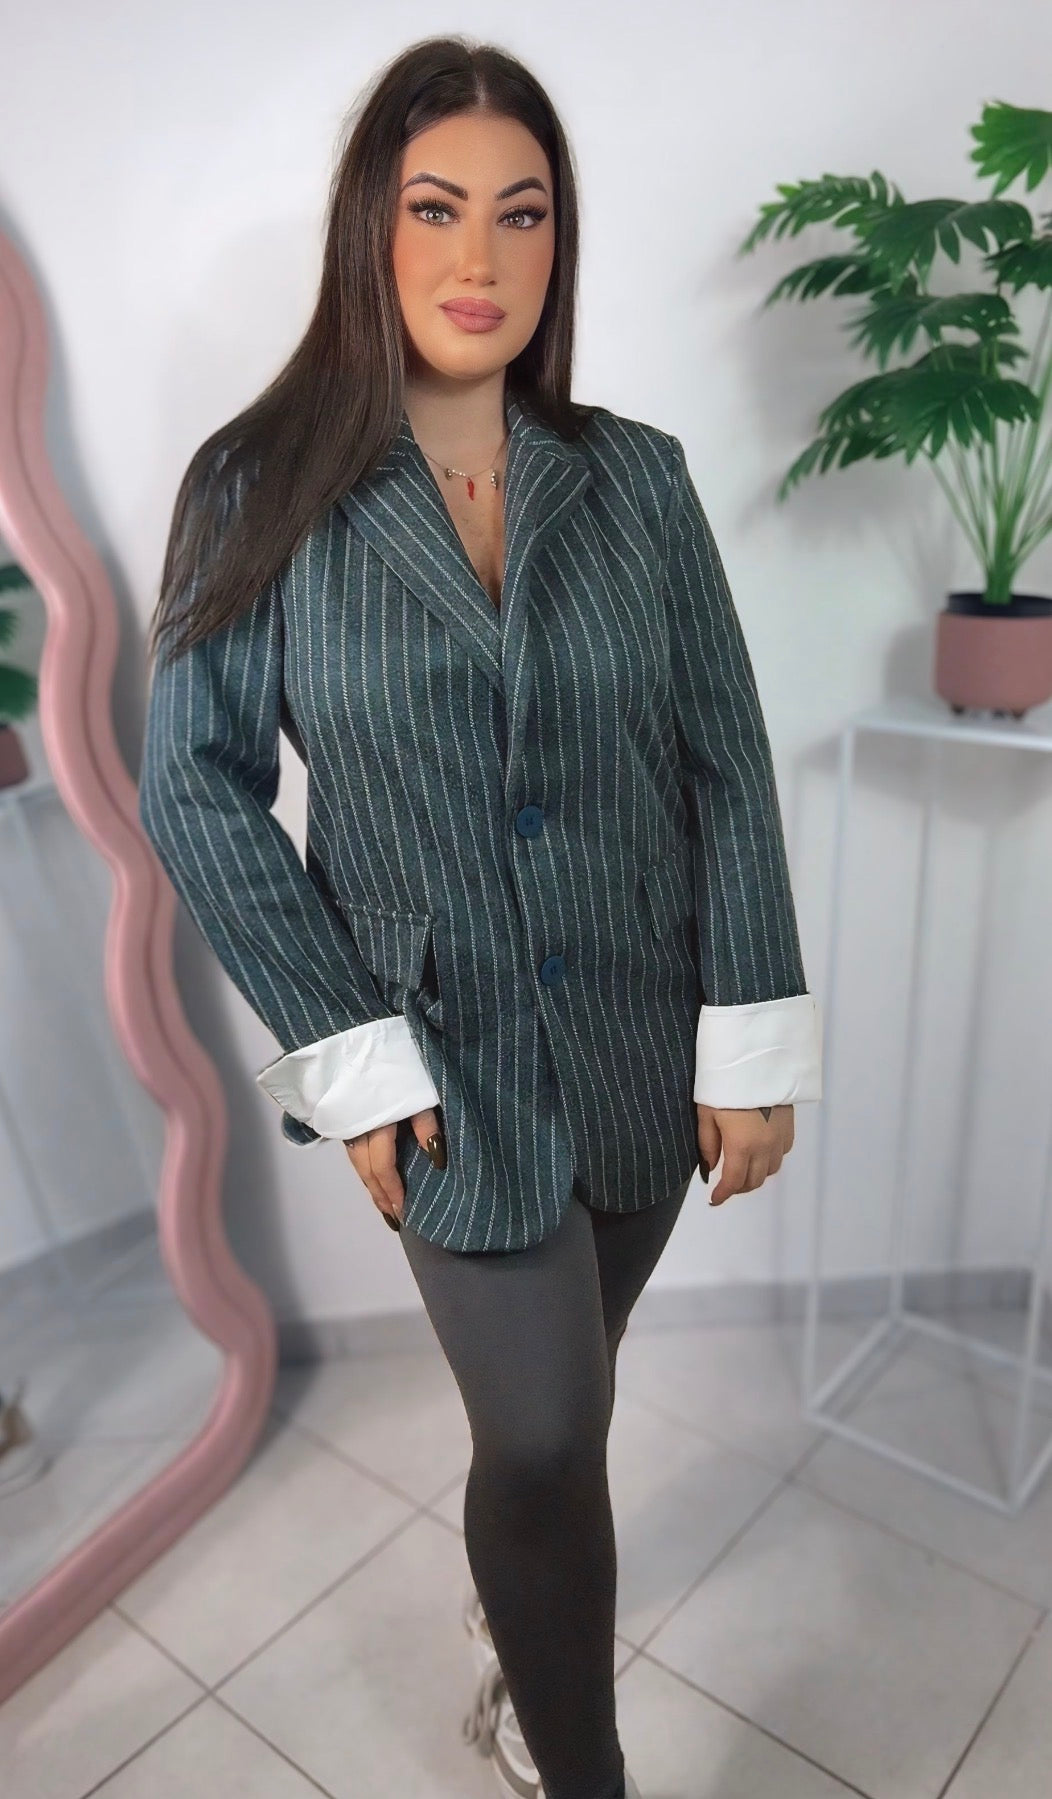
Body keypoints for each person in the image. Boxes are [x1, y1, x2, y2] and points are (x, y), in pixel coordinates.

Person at [137, 35, 822, 1799]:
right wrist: (351, 1059)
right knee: (540, 1427)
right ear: (371, 226)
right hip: (440, 1071)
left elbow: (726, 761)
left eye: (523, 215)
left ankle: (517, 1628)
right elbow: (196, 785)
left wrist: (749, 1036)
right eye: (437, 208)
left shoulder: (638, 479)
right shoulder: (258, 488)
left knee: (568, 1404)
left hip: (643, 1043)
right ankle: (578, 1758)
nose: (480, 256)